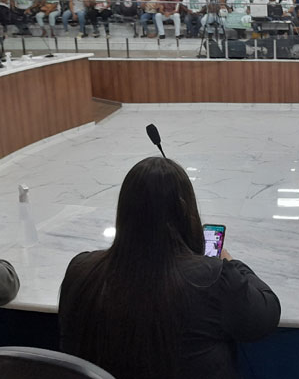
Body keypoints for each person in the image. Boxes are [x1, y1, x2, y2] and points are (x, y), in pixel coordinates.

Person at [59, 157, 280, 379]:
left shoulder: (80, 269)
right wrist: (233, 264)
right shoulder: (212, 279)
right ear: (185, 210)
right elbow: (267, 312)